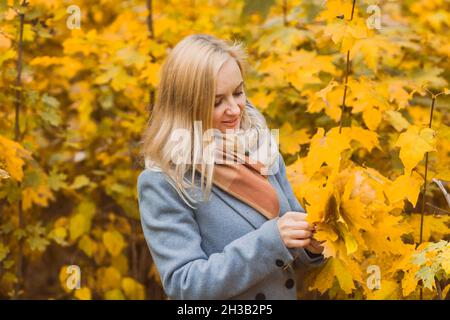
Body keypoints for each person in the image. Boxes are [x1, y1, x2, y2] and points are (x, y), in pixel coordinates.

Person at [137, 34, 325, 300]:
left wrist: (312, 248)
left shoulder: (260, 148)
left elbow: (292, 232)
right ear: (186, 107)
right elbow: (184, 285)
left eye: (238, 92)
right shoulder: (164, 180)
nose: (235, 109)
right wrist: (271, 242)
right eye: (217, 102)